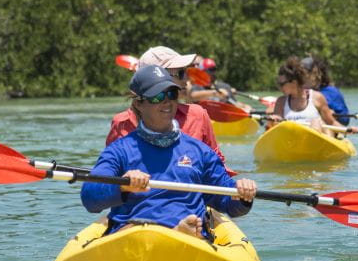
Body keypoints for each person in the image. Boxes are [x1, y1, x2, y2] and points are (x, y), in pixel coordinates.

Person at [82, 64, 257, 238]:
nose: (167, 101)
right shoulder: (119, 151)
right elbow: (89, 197)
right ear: (139, 104)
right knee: (133, 230)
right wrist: (122, 185)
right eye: (157, 96)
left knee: (191, 228)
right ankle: (173, 232)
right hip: (134, 235)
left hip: (189, 236)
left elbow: (228, 203)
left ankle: (179, 233)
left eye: (171, 94)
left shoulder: (200, 152)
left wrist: (241, 195)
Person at [107, 45, 230, 170]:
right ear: (157, 77)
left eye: (186, 72)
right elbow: (111, 171)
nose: (187, 79)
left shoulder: (198, 115)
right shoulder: (122, 122)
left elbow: (217, 165)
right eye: (181, 73)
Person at [265, 56, 345, 136]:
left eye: (282, 84)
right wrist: (273, 120)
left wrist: (346, 130)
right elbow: (277, 127)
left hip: (315, 140)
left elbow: (331, 122)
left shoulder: (317, 97)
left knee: (317, 122)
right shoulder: (281, 102)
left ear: (294, 82)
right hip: (291, 141)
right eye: (278, 84)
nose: (279, 87)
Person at [303, 55, 351, 125]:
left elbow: (345, 120)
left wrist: (334, 116)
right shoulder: (297, 93)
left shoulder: (332, 92)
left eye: (303, 74)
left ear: (315, 74)